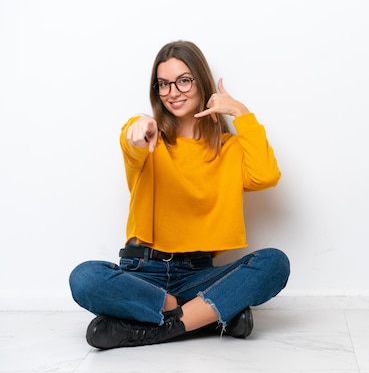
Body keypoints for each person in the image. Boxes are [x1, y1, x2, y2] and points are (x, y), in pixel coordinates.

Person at [69, 40, 290, 350]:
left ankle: (158, 327)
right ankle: (206, 315)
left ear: (202, 82)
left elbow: (266, 175)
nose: (173, 92)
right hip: (142, 272)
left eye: (183, 80)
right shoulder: (149, 139)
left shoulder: (229, 149)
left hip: (198, 274)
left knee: (274, 263)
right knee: (84, 277)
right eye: (163, 84)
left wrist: (241, 112)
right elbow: (132, 139)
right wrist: (138, 126)